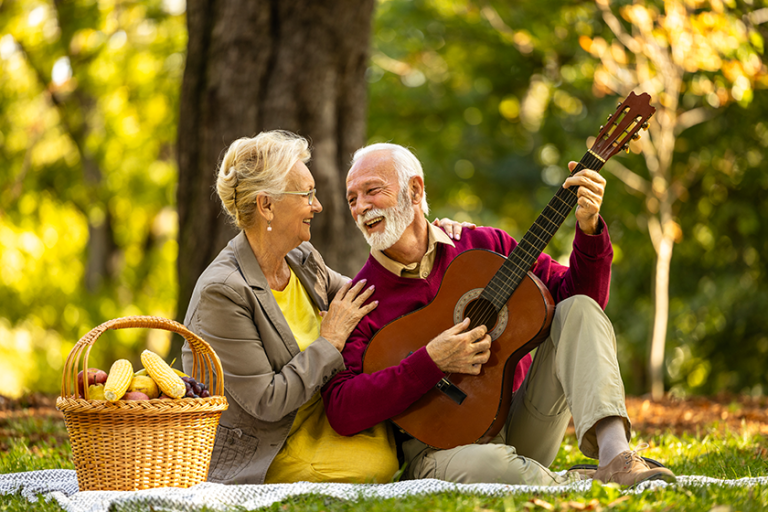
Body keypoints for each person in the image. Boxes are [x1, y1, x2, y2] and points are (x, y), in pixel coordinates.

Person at [321, 142, 677, 487]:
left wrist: (588, 227)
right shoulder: (362, 297)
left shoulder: (482, 245)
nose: (361, 207)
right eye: (352, 198)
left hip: (522, 420)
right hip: (443, 448)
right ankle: (577, 481)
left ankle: (616, 455)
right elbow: (342, 408)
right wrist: (430, 361)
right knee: (493, 466)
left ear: (415, 191)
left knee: (578, 309)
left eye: (372, 191)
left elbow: (584, 301)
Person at [181, 131, 471, 485]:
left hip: (328, 414)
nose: (317, 206)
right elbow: (268, 402)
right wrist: (329, 341)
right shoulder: (223, 291)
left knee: (388, 450)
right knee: (374, 468)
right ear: (266, 205)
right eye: (306, 195)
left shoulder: (299, 258)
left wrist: (430, 240)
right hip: (274, 443)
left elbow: (375, 298)